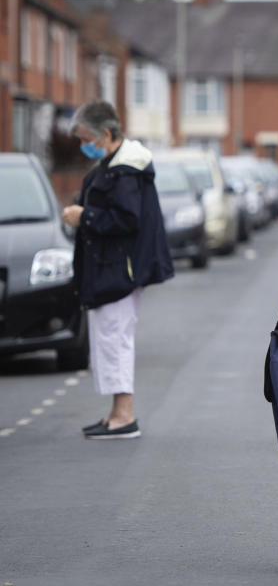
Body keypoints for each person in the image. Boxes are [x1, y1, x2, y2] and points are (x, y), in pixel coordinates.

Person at [61, 101, 173, 440]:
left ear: (106, 134)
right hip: (111, 267)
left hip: (118, 270)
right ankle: (116, 412)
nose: (83, 145)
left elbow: (127, 219)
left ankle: (124, 415)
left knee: (114, 339)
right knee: (109, 338)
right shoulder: (114, 165)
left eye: (85, 138)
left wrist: (85, 217)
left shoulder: (125, 170)